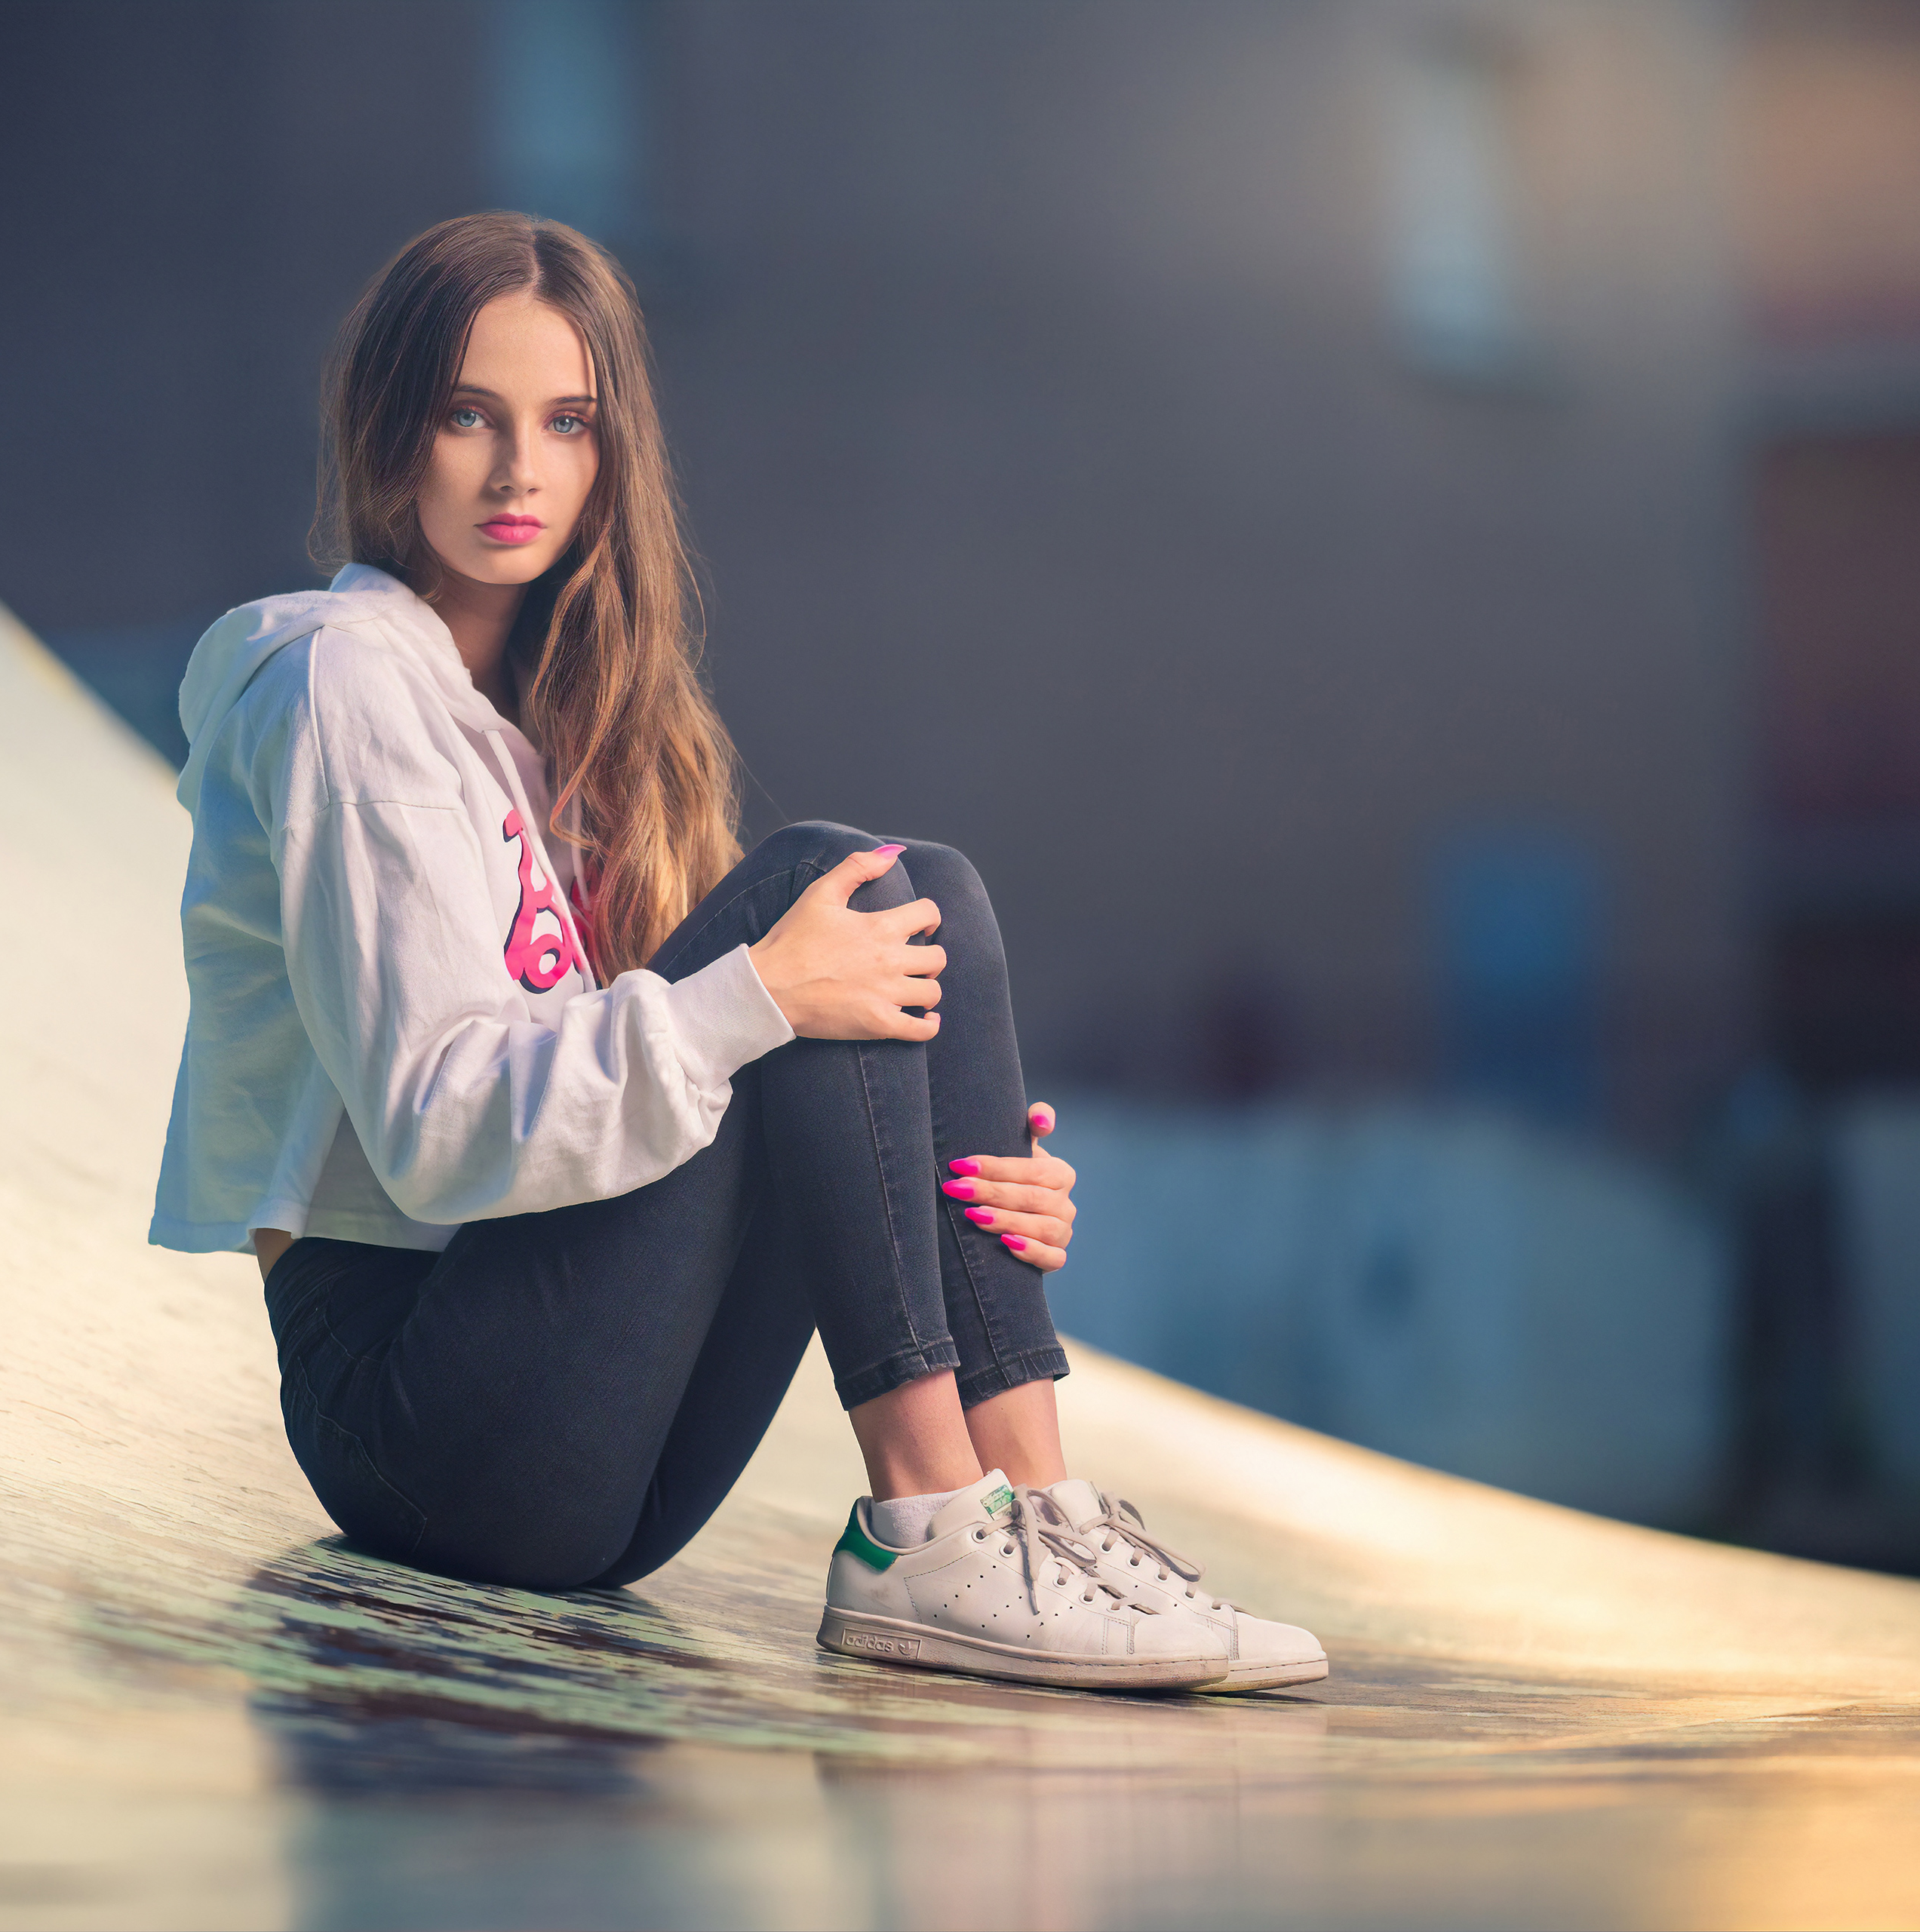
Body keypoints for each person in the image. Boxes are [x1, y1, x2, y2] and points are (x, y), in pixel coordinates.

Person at [150, 213, 1323, 1694]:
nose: (519, 471)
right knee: (825, 900)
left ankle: (1036, 1508)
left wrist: (965, 1200)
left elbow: (708, 1097)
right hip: (419, 1422)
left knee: (915, 895)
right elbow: (440, 1131)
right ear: (392, 430)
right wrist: (765, 995)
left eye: (566, 424)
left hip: (589, 1462)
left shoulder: (555, 737)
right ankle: (929, 1524)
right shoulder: (337, 683)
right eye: (470, 415)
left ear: (609, 454)